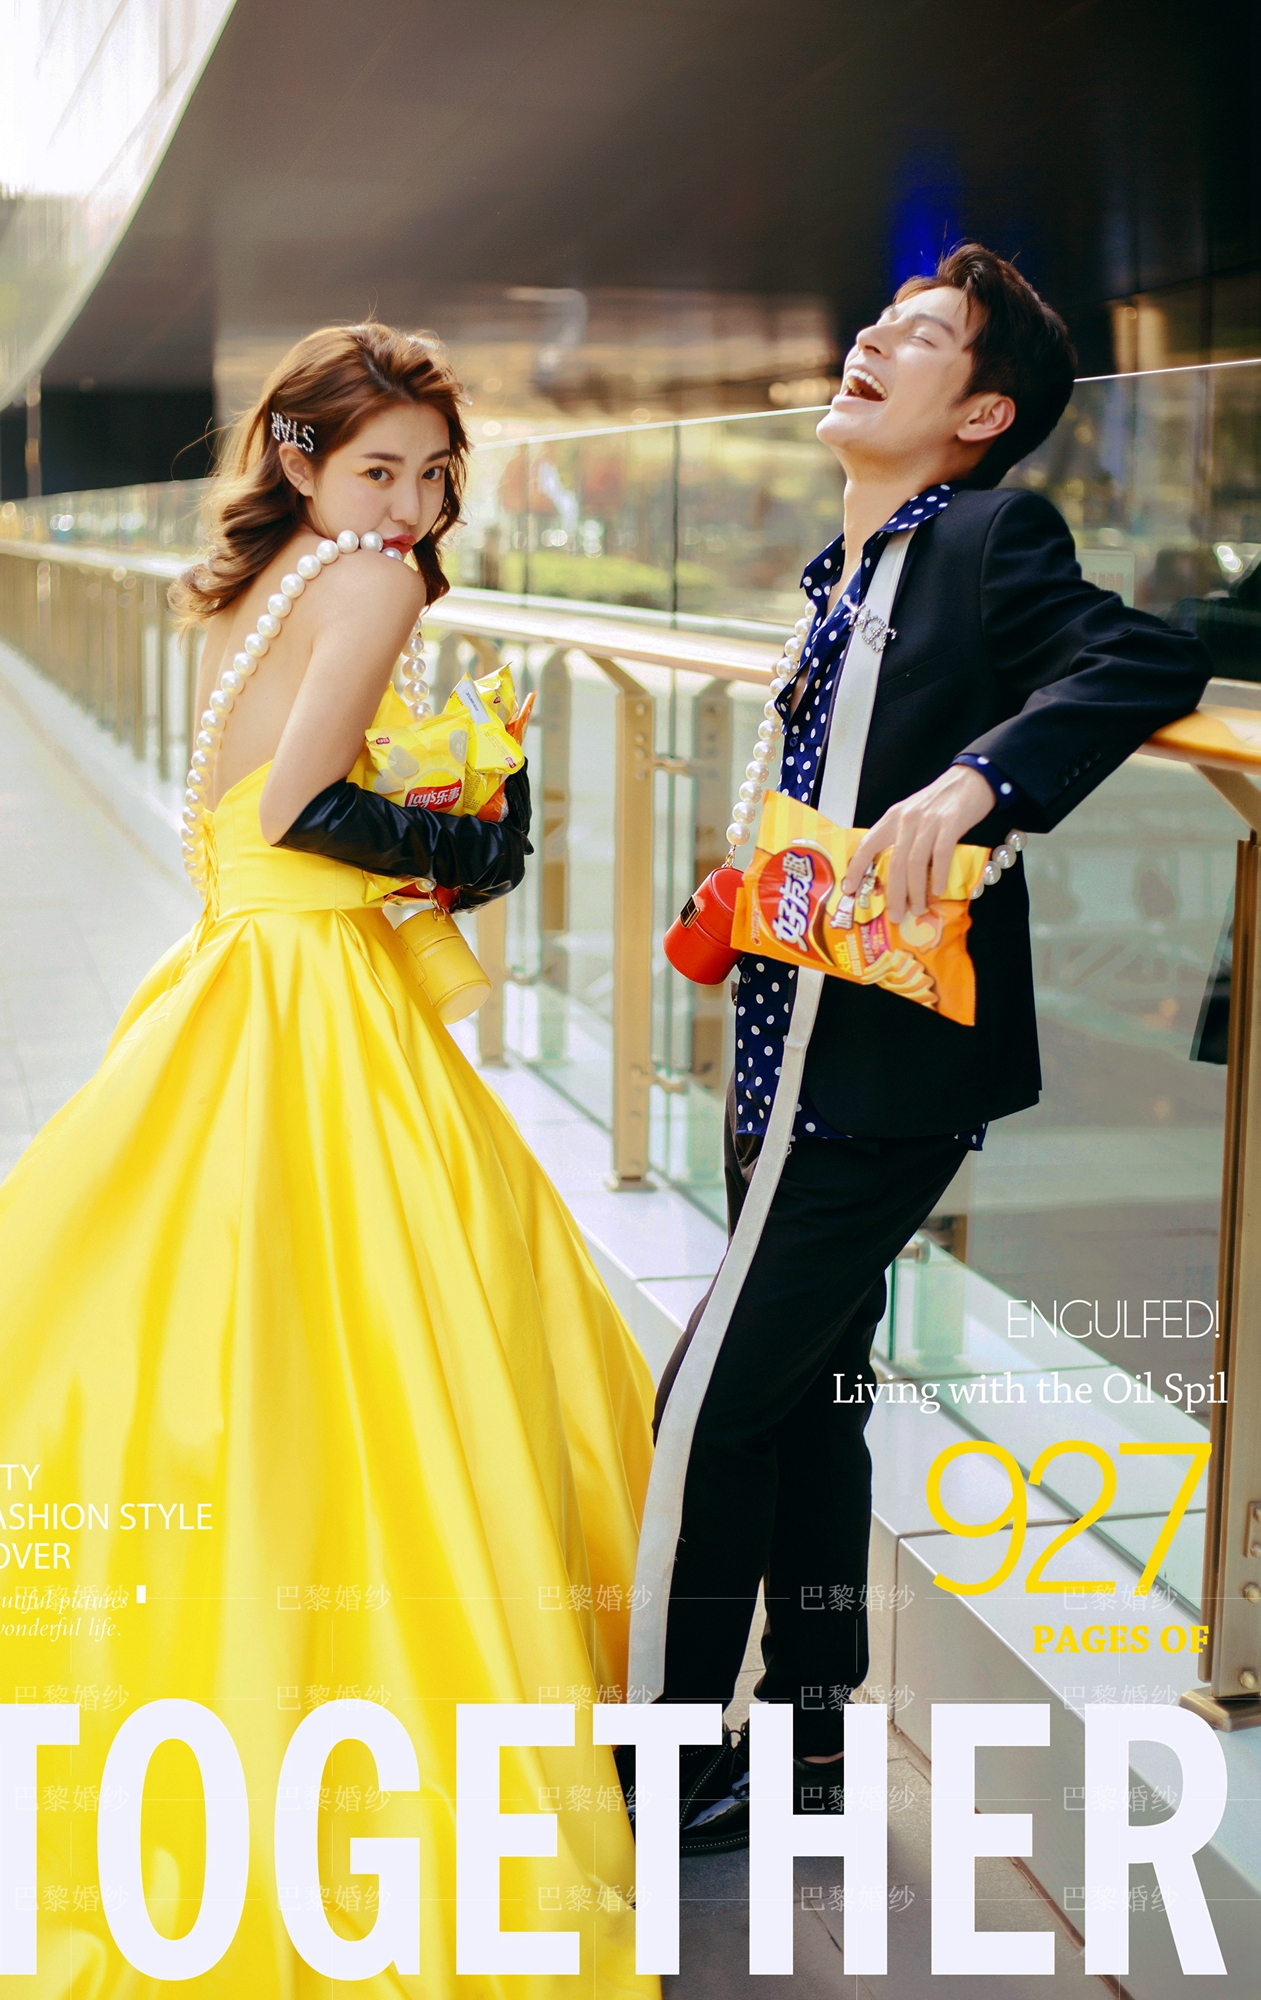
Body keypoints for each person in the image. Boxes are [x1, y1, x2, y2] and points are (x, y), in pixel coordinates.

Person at [0, 323, 657, 1997]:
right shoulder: (372, 586)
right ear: (302, 456)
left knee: (216, 1313)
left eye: (431, 475)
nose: (409, 506)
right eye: (377, 468)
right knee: (398, 1322)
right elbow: (296, 810)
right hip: (310, 988)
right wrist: (470, 844)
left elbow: (244, 808)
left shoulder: (258, 582)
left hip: (242, 968)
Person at [644, 246, 1214, 1855]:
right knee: (808, 1399)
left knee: (704, 1414)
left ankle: (661, 1767)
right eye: (875, 323)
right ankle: (809, 1741)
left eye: (916, 336)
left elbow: (1141, 657)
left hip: (871, 1076)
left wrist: (976, 782)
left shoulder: (981, 535)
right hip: (795, 1046)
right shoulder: (848, 567)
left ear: (979, 413)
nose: (868, 342)